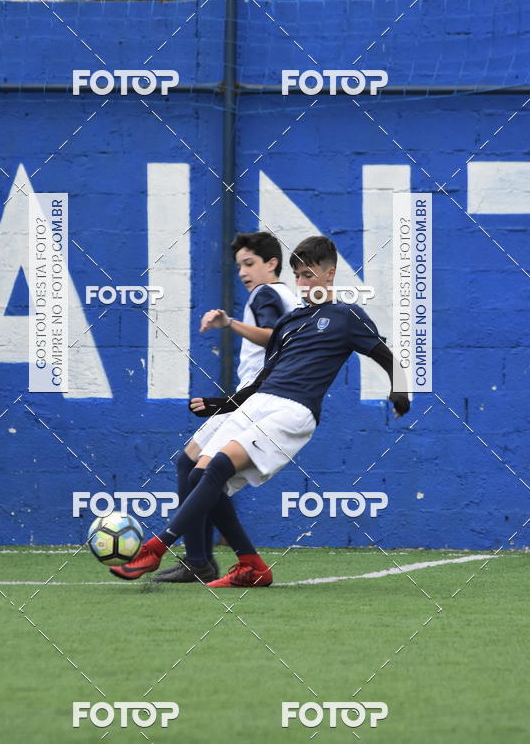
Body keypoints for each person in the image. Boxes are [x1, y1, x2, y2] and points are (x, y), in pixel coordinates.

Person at [113, 235, 410, 588]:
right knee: (196, 475)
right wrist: (220, 405)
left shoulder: (346, 316)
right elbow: (261, 381)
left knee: (219, 467)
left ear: (330, 275)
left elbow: (386, 356)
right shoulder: (290, 322)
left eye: (310, 275)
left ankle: (157, 546)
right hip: (258, 402)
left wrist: (400, 393)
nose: (303, 283)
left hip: (295, 410)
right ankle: (250, 564)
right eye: (298, 275)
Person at [111, 231, 298, 583]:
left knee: (198, 472)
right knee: (193, 468)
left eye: (250, 263)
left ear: (271, 264)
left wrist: (229, 324)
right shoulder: (285, 294)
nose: (243, 272)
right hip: (258, 396)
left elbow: (275, 335)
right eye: (239, 265)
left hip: (256, 398)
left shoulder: (266, 293)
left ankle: (203, 560)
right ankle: (203, 559)